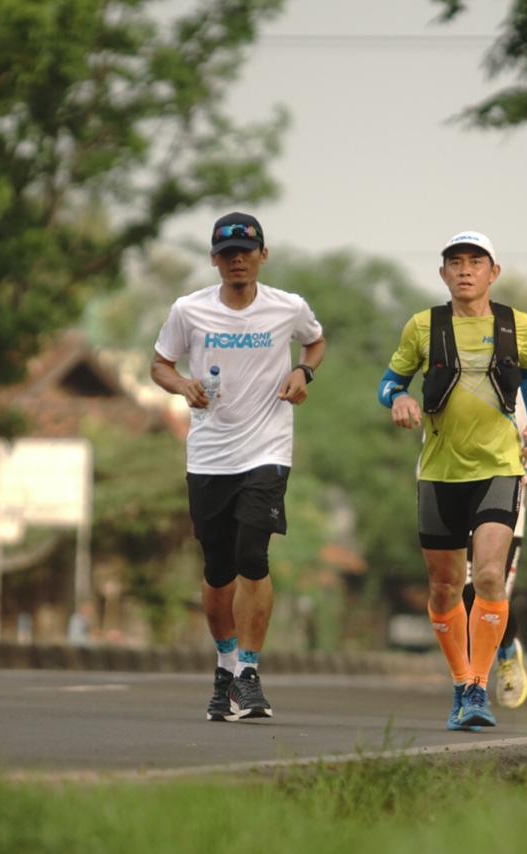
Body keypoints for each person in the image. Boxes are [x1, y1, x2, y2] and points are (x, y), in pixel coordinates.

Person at [151, 212, 326, 722]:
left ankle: (249, 672)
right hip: (209, 455)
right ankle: (225, 665)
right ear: (214, 260)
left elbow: (315, 340)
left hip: (267, 450)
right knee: (217, 568)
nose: (237, 261)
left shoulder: (287, 308)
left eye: (246, 251)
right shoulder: (189, 310)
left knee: (254, 552)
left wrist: (303, 371)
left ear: (262, 255)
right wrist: (182, 385)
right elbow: (159, 363)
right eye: (227, 254)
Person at [378, 230, 527, 731]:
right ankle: (460, 682)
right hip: (438, 471)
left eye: (476, 262)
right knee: (445, 586)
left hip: (499, 467)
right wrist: (399, 400)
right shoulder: (422, 326)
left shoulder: (518, 324)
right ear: (443, 273)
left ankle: (476, 688)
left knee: (489, 577)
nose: (465, 270)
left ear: (493, 273)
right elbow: (389, 381)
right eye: (455, 262)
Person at [461, 390, 527, 710]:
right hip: (456, 506)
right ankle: (472, 684)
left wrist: (525, 476)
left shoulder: (518, 392)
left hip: (506, 512)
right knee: (463, 596)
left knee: (488, 589)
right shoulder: (446, 378)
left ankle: (506, 651)